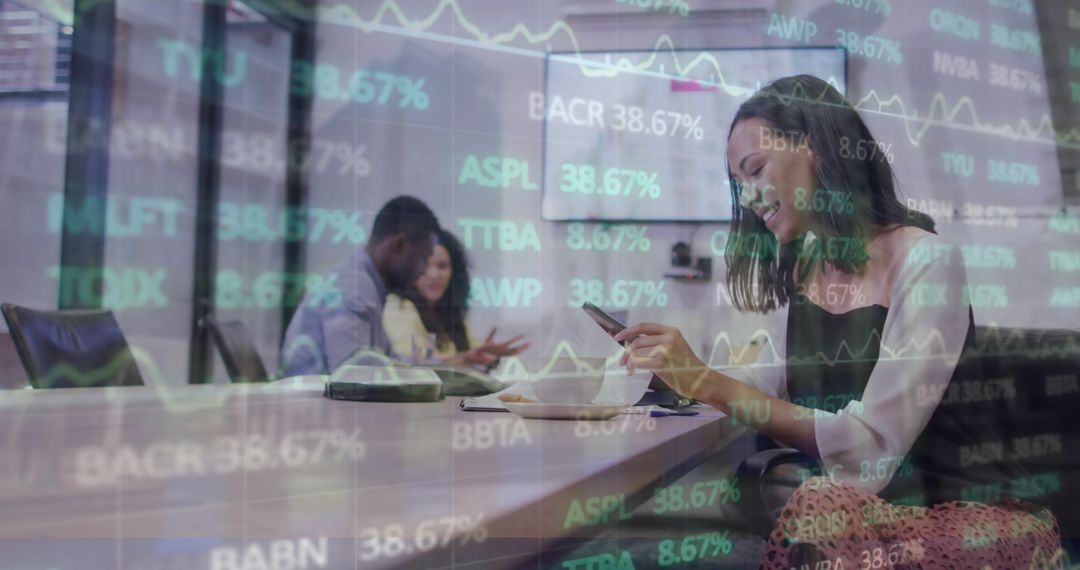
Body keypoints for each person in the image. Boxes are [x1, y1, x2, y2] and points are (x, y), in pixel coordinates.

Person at [614, 75, 1060, 567]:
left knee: (811, 508)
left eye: (756, 170)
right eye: (739, 185)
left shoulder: (929, 262)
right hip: (860, 520)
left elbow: (872, 447)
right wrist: (680, 378)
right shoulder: (805, 265)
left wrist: (709, 382)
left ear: (816, 147)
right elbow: (767, 383)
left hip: (959, 521)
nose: (748, 199)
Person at [279, 196, 440, 376]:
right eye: (424, 258)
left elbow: (389, 359)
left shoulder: (366, 284)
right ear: (400, 245)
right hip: (311, 403)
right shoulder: (354, 287)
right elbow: (350, 376)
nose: (426, 270)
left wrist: (447, 367)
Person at [383, 228, 528, 369]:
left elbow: (475, 354)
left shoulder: (451, 313)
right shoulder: (398, 305)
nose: (434, 275)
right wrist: (466, 358)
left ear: (454, 271)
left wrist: (486, 356)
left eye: (442, 266)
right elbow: (415, 365)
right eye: (425, 264)